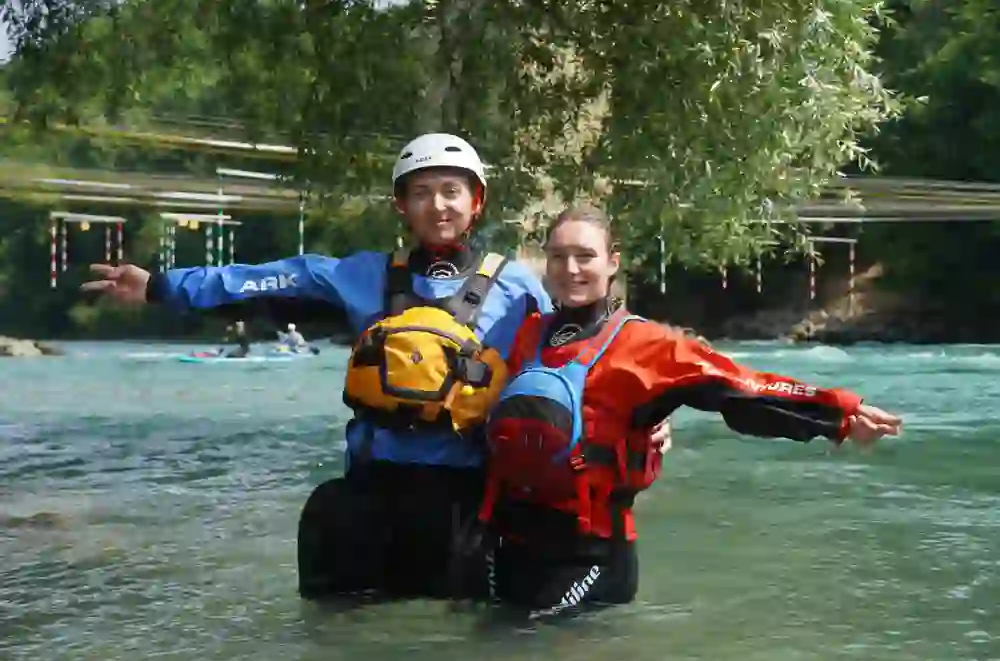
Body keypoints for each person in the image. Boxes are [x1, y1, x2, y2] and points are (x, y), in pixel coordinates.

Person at [81, 133, 562, 603]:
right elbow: (258, 281)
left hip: (464, 495)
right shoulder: (362, 274)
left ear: (476, 202)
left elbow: (567, 367)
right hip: (374, 487)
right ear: (400, 205)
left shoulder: (518, 288)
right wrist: (161, 287)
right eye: (422, 192)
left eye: (451, 191)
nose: (438, 205)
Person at [468, 203, 903, 620]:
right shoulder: (528, 335)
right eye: (559, 256)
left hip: (589, 552)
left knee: (533, 641)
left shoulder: (649, 346)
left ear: (613, 262)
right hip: (512, 541)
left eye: (585, 256)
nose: (571, 269)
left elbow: (741, 389)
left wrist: (839, 414)